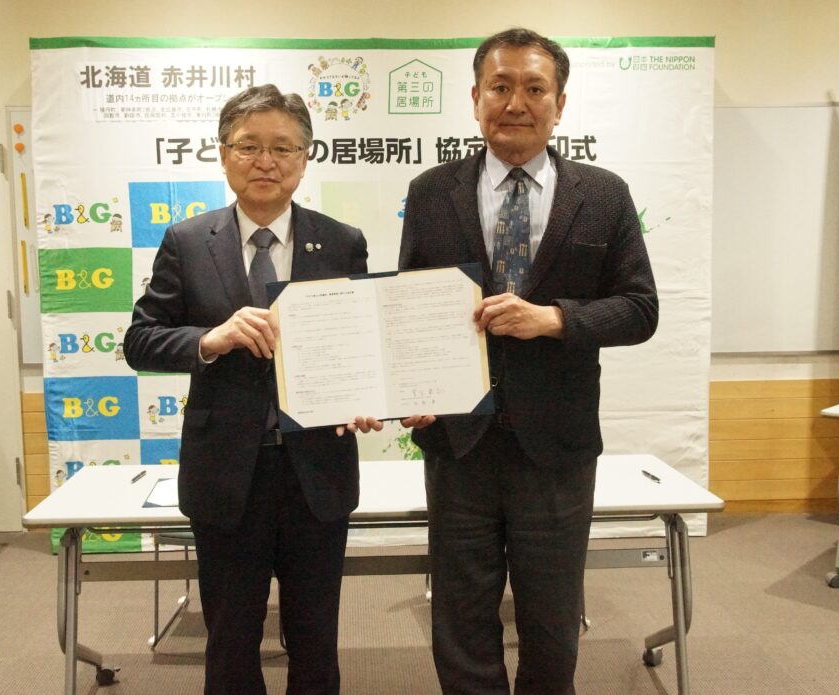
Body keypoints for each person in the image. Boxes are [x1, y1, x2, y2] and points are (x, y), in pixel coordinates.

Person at [398, 28, 659, 694]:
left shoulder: (602, 194)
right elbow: (408, 307)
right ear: (475, 98)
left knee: (551, 620)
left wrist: (555, 319)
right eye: (500, 86)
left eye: (535, 88)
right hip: (458, 440)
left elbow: (640, 309)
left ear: (560, 104)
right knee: (460, 618)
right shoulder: (431, 191)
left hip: (557, 447)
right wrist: (408, 385)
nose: (516, 103)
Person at [124, 84, 380, 695]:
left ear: (305, 158)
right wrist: (210, 340)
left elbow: (363, 343)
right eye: (248, 146)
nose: (266, 161)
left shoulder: (342, 241)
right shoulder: (188, 241)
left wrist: (369, 395)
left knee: (315, 635)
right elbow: (140, 340)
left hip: (317, 471)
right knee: (231, 636)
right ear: (223, 154)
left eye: (282, 148)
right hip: (225, 473)